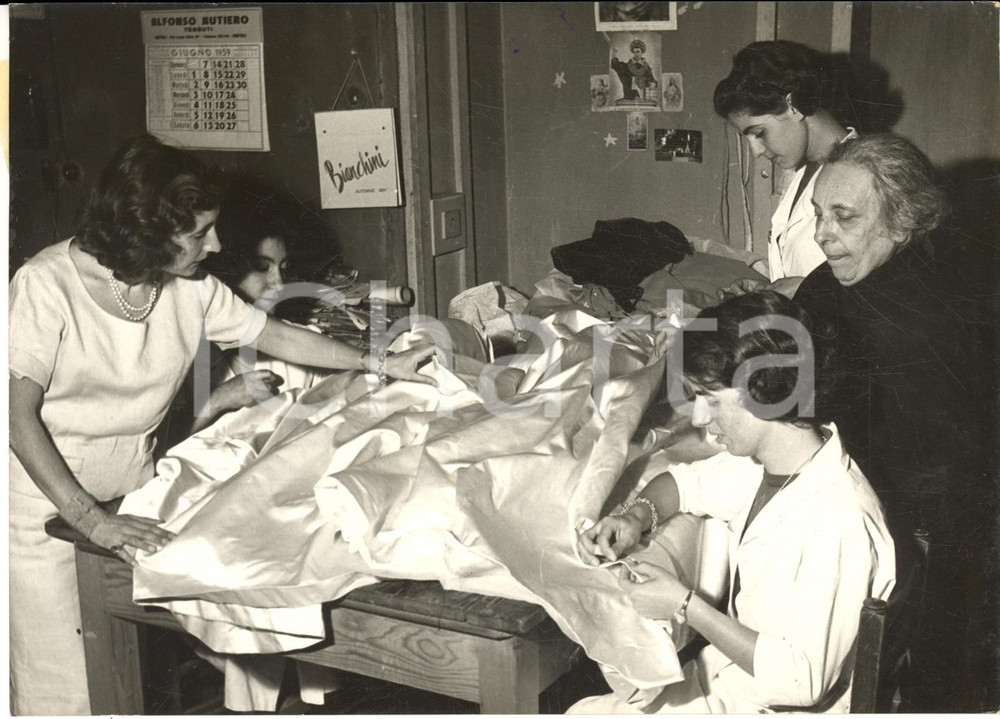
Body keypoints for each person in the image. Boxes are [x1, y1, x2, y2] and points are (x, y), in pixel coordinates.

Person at [7, 134, 434, 715]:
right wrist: (91, 521)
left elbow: (274, 335)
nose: (217, 244)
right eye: (199, 232)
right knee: (72, 689)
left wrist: (377, 362)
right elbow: (15, 416)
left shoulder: (192, 288)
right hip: (46, 508)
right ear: (147, 229)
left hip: (137, 495)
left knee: (136, 677)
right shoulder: (45, 284)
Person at [571, 290, 895, 714]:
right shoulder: (775, 463)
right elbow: (682, 483)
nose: (700, 419)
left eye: (711, 399)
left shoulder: (838, 517)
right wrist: (635, 516)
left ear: (766, 393)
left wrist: (684, 605)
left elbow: (801, 682)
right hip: (733, 681)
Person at [796, 132, 992, 711]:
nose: (822, 234)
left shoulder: (915, 322)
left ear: (902, 222)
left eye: (845, 217)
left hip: (938, 536)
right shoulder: (849, 277)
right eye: (818, 214)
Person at [714, 41, 857, 288]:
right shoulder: (800, 173)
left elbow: (880, 293)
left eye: (758, 133)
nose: (756, 151)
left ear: (793, 106)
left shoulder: (865, 176)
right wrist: (770, 291)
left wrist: (804, 291)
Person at [612, 39, 657, 103]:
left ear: (642, 52)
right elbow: (615, 64)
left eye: (638, 52)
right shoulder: (626, 67)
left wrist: (653, 84)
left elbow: (652, 80)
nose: (636, 54)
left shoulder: (646, 67)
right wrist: (613, 53)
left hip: (642, 99)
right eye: (634, 52)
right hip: (629, 98)